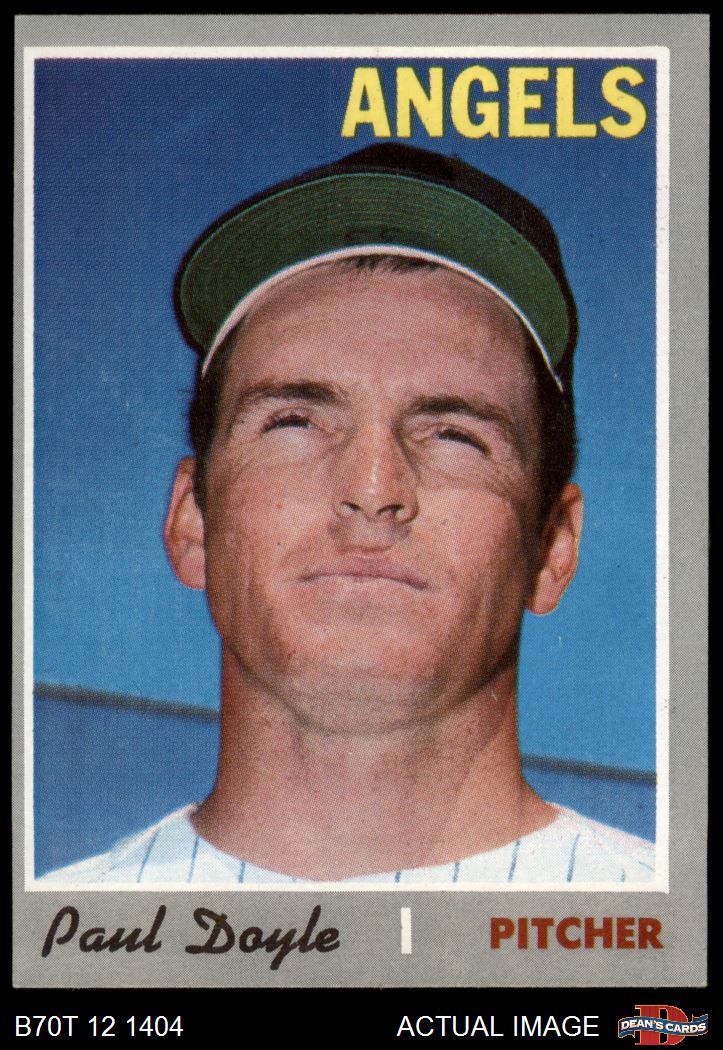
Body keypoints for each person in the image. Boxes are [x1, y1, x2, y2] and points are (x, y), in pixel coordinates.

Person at [42, 144, 655, 886]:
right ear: (191, 522)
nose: (372, 489)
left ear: (553, 546)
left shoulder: (672, 923)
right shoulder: (54, 926)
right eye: (294, 422)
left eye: (455, 436)